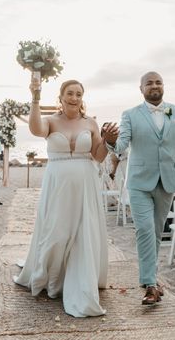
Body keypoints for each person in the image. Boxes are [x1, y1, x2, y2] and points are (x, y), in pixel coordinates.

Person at [14, 78, 110, 318]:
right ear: (61, 96)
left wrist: (108, 141)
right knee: (56, 232)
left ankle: (80, 281)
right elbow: (35, 129)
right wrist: (35, 96)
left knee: (82, 232)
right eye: (70, 93)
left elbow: (97, 156)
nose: (74, 97)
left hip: (85, 184)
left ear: (82, 97)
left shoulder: (91, 123)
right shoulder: (51, 121)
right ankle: (52, 278)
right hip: (57, 184)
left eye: (78, 94)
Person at [104, 71, 175, 306]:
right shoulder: (130, 115)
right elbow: (121, 145)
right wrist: (111, 140)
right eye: (149, 83)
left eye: (158, 82)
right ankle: (150, 283)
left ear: (163, 86)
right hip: (139, 182)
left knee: (155, 232)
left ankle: (150, 281)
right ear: (141, 88)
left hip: (168, 181)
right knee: (144, 229)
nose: (154, 86)